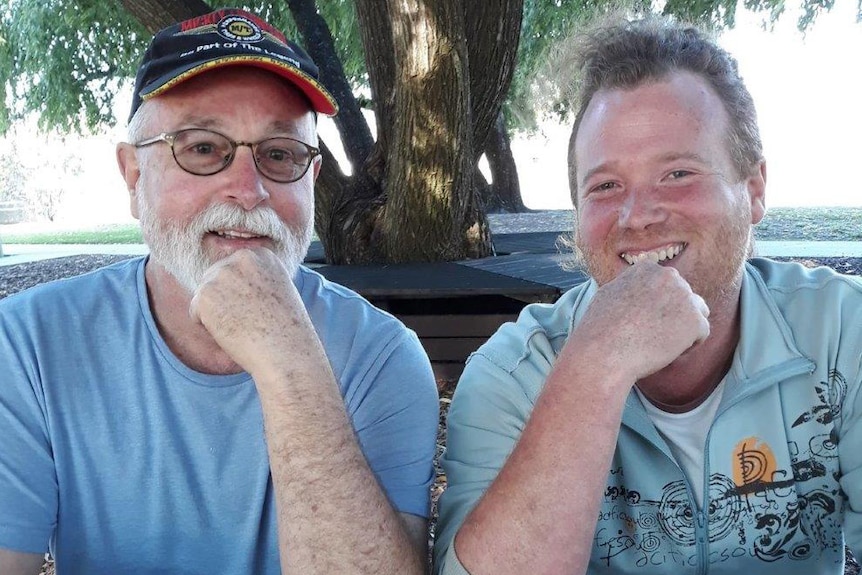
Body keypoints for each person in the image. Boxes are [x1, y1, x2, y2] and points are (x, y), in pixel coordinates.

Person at [0, 8, 439, 575]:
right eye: (203, 148)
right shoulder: (29, 346)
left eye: (280, 154)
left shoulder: (381, 358)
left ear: (313, 178)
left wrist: (290, 366)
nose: (247, 189)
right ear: (133, 177)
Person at [434, 15, 862, 575]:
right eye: (606, 186)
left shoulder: (840, 333)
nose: (637, 217)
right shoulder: (513, 374)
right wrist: (595, 368)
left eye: (678, 173)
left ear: (753, 191)